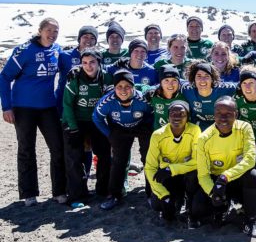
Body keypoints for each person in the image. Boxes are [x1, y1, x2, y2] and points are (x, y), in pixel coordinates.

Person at [0, 17, 67, 206]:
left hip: (48, 107)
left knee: (58, 147)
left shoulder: (57, 50)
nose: (52, 35)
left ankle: (60, 191)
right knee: (26, 149)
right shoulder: (24, 51)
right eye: (49, 30)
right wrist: (6, 107)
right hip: (23, 108)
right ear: (40, 30)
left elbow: (67, 71)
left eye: (56, 31)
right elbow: (4, 77)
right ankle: (29, 193)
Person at [193, 96, 256, 237]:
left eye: (228, 114)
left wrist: (226, 176)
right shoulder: (204, 138)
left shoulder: (245, 128)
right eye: (219, 114)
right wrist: (213, 193)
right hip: (218, 183)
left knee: (253, 176)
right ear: (214, 115)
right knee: (197, 209)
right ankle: (222, 206)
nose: (223, 118)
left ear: (236, 115)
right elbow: (202, 174)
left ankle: (251, 221)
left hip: (237, 179)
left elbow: (250, 160)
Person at [93, 69, 153, 210]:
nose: (123, 90)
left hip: (141, 126)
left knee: (149, 159)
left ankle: (151, 194)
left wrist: (150, 130)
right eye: (119, 87)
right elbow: (97, 118)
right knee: (119, 161)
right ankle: (115, 195)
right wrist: (109, 134)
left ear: (133, 86)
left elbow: (153, 113)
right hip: (119, 128)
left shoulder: (142, 99)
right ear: (114, 88)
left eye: (127, 86)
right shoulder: (107, 101)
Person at [61, 48, 113, 207]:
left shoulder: (106, 78)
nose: (88, 66)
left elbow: (111, 102)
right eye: (84, 63)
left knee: (104, 155)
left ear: (99, 62)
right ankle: (76, 195)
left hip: (97, 121)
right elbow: (67, 105)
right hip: (76, 121)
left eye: (92, 62)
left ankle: (103, 190)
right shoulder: (75, 78)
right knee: (75, 158)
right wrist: (74, 129)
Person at [144, 100, 201, 226]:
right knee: (157, 206)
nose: (177, 117)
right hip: (168, 177)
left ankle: (189, 203)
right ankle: (175, 197)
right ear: (168, 116)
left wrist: (172, 169)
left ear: (187, 117)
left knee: (193, 175)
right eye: (173, 113)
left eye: (181, 114)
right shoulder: (157, 135)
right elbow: (149, 168)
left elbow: (198, 161)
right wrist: (164, 196)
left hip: (186, 176)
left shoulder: (195, 130)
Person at [181, 60, 237, 131]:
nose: (202, 80)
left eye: (206, 76)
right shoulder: (187, 90)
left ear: (212, 79)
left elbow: (241, 84)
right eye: (199, 76)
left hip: (220, 128)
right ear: (193, 79)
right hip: (198, 129)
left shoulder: (225, 89)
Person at [56, 25, 99, 112]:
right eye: (85, 37)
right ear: (79, 39)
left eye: (92, 38)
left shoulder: (98, 58)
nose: (88, 40)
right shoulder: (64, 56)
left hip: (86, 105)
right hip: (63, 102)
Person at [145, 65, 186, 130]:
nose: (170, 84)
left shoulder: (185, 94)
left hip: (183, 134)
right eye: (166, 80)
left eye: (174, 80)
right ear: (160, 83)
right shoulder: (152, 94)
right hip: (160, 135)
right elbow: (141, 87)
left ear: (179, 82)